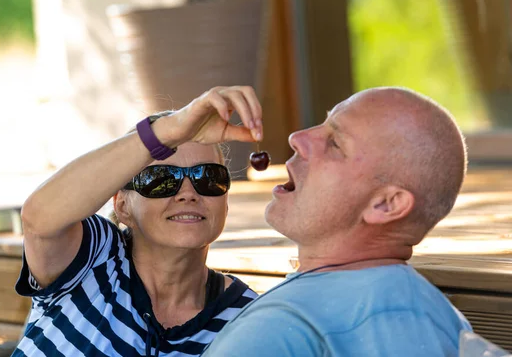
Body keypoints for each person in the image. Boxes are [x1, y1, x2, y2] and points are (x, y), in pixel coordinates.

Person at [202, 86, 472, 357]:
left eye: (335, 144)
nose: (297, 137)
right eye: (323, 123)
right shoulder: (446, 323)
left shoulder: (278, 331)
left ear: (386, 205)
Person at [12, 86, 264, 357]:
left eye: (208, 177)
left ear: (225, 202)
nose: (189, 193)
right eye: (161, 179)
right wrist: (167, 131)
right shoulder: (94, 258)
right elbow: (39, 219)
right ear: (122, 206)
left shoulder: (245, 318)